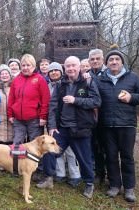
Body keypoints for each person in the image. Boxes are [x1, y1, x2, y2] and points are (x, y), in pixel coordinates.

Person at [37, 56, 101, 199]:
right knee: (48, 151)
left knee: (84, 158)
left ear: (79, 67)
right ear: (64, 68)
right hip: (62, 129)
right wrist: (52, 126)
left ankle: (89, 183)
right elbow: (52, 107)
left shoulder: (88, 82)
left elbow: (96, 101)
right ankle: (48, 178)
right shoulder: (60, 84)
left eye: (73, 65)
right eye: (68, 66)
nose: (71, 68)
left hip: (81, 128)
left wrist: (75, 100)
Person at [96, 47, 139, 202]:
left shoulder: (132, 77)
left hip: (127, 125)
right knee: (110, 157)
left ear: (121, 62)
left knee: (127, 157)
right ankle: (114, 185)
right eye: (111, 60)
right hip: (106, 126)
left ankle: (129, 188)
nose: (114, 62)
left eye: (116, 59)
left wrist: (131, 97)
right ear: (106, 63)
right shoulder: (100, 80)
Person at [47, 62, 81, 187]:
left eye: (56, 70)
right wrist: (51, 124)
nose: (53, 72)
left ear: (61, 72)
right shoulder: (47, 85)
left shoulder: (66, 83)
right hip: (54, 122)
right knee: (56, 148)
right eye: (51, 71)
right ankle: (60, 173)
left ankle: (75, 175)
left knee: (71, 150)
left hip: (69, 122)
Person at [7, 54, 50, 144]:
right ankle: (18, 158)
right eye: (23, 65)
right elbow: (11, 98)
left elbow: (45, 100)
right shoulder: (16, 80)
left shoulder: (40, 79)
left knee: (36, 145)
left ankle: (34, 159)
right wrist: (10, 114)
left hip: (34, 119)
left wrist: (43, 117)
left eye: (28, 65)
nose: (25, 68)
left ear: (33, 66)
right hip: (18, 120)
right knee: (17, 144)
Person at [87, 48, 107, 185]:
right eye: (92, 59)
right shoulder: (86, 75)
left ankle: (113, 176)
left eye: (97, 58)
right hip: (92, 117)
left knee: (108, 148)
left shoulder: (109, 73)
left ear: (102, 60)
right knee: (95, 146)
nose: (95, 61)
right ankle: (99, 173)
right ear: (89, 61)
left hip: (107, 115)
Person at [0, 64, 13, 144]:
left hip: (12, 122)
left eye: (6, 73)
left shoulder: (14, 87)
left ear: (10, 75)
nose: (4, 75)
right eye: (2, 74)